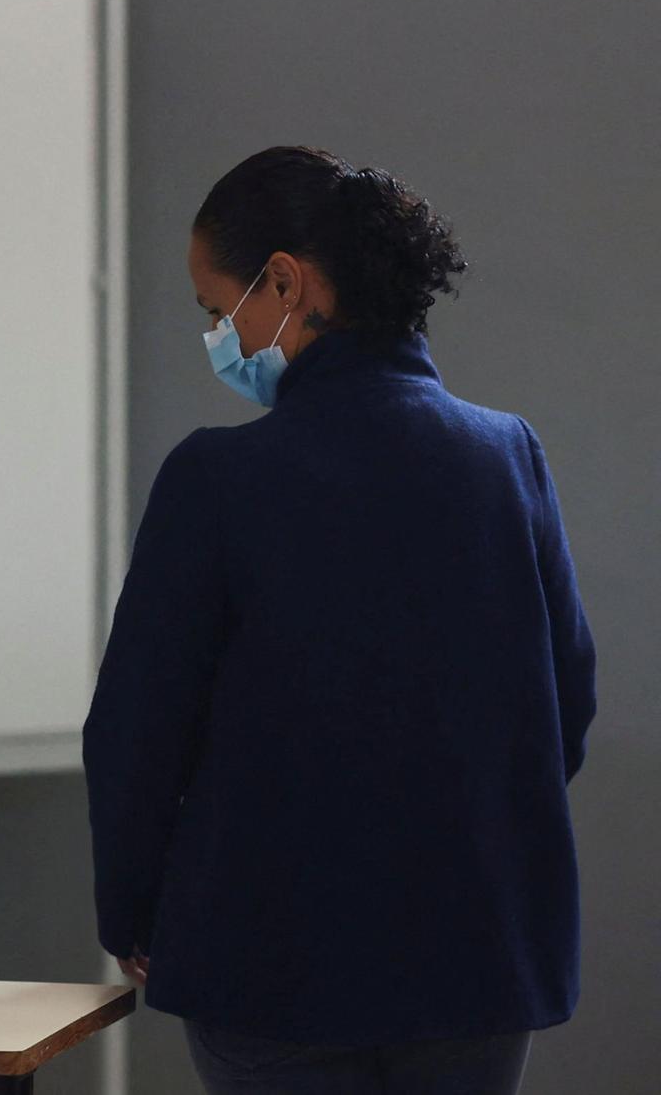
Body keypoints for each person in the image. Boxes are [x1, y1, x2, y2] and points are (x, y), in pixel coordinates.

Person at [83, 147, 595, 1095]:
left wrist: (134, 913)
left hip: (270, 965)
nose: (214, 333)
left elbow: (136, 731)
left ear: (285, 281)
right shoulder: (507, 456)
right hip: (477, 967)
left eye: (215, 305)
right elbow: (564, 705)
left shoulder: (217, 479)